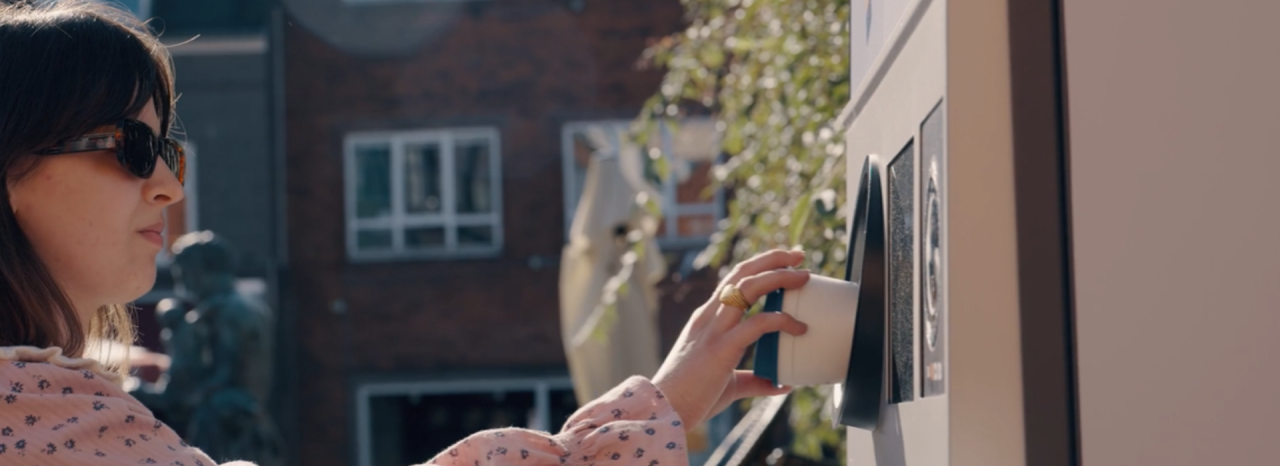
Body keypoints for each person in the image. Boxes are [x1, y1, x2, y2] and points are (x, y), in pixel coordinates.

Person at [0, 2, 811, 465]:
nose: (170, 184)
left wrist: (651, 411)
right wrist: (654, 412)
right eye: (131, 146)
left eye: (168, 150)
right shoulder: (41, 416)